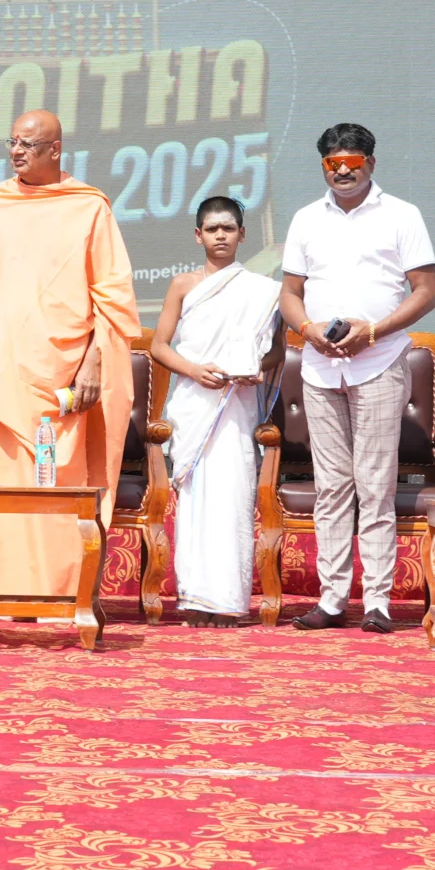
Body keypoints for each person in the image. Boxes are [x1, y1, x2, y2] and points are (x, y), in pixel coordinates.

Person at [0, 110, 142, 596]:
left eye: (28, 144)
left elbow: (112, 293)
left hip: (64, 372)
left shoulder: (89, 206)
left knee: (57, 478)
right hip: (3, 372)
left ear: (55, 150)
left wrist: (97, 357)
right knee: (7, 481)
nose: (17, 151)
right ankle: (4, 594)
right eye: (12, 141)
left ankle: (60, 594)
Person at [277, 123, 435, 633]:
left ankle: (378, 602)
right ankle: (330, 599)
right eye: (332, 163)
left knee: (374, 485)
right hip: (321, 366)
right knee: (331, 487)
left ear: (372, 162)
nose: (343, 171)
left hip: (379, 362)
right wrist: (306, 331)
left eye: (352, 162)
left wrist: (376, 330)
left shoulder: (401, 215)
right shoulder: (306, 218)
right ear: (322, 164)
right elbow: (289, 295)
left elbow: (426, 291)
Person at [150, 197, 283, 624]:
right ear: (198, 235)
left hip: (237, 406)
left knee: (232, 498)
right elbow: (158, 345)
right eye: (212, 229)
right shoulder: (183, 285)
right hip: (196, 403)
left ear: (243, 234)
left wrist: (251, 370)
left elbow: (276, 351)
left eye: (228, 228)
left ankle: (228, 600)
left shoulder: (263, 291)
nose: (221, 236)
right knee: (196, 503)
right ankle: (194, 599)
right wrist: (193, 370)